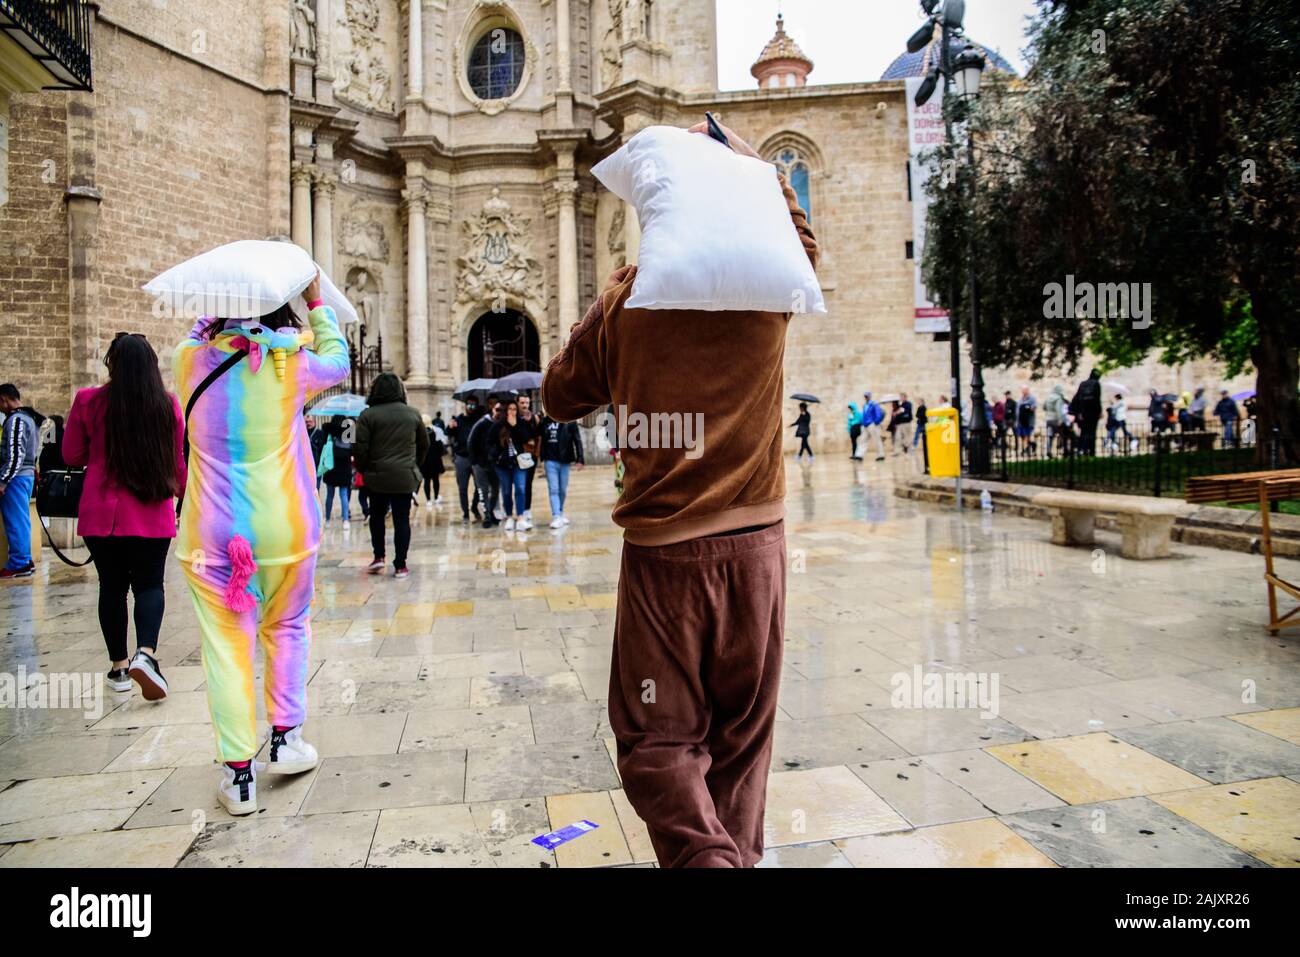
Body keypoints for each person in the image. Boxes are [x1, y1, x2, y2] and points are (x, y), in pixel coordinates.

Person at [541, 117, 818, 868]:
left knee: (657, 738)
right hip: (759, 552)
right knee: (741, 740)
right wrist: (756, 163)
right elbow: (803, 245)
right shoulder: (767, 290)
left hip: (667, 564)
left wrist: (594, 315)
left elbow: (558, 396)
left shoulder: (627, 308)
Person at [174, 270, 349, 816]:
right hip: (286, 531)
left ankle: (239, 776)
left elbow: (198, 335)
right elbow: (341, 359)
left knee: (227, 650)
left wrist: (217, 310)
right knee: (289, 628)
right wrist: (315, 303)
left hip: (212, 536)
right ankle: (286, 740)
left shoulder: (188, 362)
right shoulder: (291, 365)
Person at [62, 333, 185, 696]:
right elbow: (178, 462)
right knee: (149, 584)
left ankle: (118, 669)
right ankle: (145, 654)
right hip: (151, 511)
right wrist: (181, 496)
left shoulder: (88, 401)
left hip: (102, 514)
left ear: (111, 364)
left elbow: (71, 455)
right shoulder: (168, 404)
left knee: (111, 588)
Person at [353, 372, 428, 578]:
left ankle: (379, 557)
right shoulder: (413, 414)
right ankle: (401, 564)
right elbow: (424, 444)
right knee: (401, 519)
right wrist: (413, 466)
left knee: (377, 516)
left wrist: (365, 469)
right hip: (404, 475)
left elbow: (360, 447)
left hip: (377, 476)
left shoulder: (367, 415)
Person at [0, 384, 38, 579]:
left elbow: (15, 456)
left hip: (16, 478)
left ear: (4, 399)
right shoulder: (29, 418)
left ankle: (19, 562)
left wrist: (3, 481)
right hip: (25, 476)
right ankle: (24, 559)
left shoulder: (16, 420)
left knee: (16, 521)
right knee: (21, 520)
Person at [488, 398, 535, 531]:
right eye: (510, 409)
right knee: (507, 491)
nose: (512, 412)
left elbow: (526, 438)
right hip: (502, 464)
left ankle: (520, 517)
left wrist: (514, 426)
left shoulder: (520, 423)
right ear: (505, 410)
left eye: (514, 409)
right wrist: (496, 456)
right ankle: (509, 516)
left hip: (519, 462)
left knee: (520, 489)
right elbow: (489, 442)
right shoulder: (498, 424)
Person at [539, 409, 584, 527]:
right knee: (553, 489)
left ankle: (560, 511)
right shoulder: (544, 421)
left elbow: (577, 440)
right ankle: (556, 515)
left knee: (562, 489)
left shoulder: (570, 421)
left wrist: (580, 458)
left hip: (565, 460)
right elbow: (539, 437)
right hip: (550, 460)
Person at [446, 398, 484, 523]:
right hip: (462, 457)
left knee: (480, 486)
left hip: (476, 457)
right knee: (462, 487)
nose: (471, 407)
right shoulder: (458, 419)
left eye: (473, 405)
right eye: (469, 405)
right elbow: (448, 432)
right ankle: (465, 513)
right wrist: (450, 426)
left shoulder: (479, 420)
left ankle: (474, 506)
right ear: (465, 406)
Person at [468, 399, 501, 528]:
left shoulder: (500, 424)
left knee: (495, 489)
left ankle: (491, 511)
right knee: (483, 489)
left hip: (493, 463)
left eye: (501, 410)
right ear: (491, 408)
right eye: (497, 409)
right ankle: (487, 515)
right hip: (479, 462)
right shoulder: (482, 423)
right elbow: (471, 441)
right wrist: (473, 461)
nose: (499, 412)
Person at [320, 415, 355, 529]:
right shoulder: (348, 433)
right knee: (344, 495)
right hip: (345, 468)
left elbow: (323, 446)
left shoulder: (330, 432)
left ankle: (328, 519)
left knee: (330, 495)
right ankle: (345, 520)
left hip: (332, 467)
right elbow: (352, 450)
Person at [518, 393, 542, 524]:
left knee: (527, 484)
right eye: (522, 403)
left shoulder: (534, 418)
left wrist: (537, 455)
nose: (525, 405)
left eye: (527, 403)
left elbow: (538, 436)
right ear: (517, 403)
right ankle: (517, 510)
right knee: (519, 485)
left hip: (530, 456)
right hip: (517, 456)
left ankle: (526, 509)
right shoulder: (514, 418)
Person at [1070, 369, 1103, 456]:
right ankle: (1091, 451)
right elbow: (1097, 399)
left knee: (1083, 432)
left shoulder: (1083, 384)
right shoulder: (1096, 384)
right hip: (1093, 412)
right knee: (1092, 432)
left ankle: (1082, 450)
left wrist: (1079, 413)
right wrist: (1099, 411)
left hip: (1083, 413)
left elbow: (1078, 398)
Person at [420, 415, 446, 509]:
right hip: (435, 460)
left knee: (426, 480)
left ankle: (428, 500)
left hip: (425, 461)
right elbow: (441, 447)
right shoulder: (435, 432)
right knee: (436, 480)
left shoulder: (420, 434)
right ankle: (435, 498)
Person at [1044, 384, 1070, 457]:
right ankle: (1065, 450)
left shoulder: (1048, 398)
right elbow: (1059, 410)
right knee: (1063, 435)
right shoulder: (1058, 398)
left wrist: (1049, 412)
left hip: (1049, 420)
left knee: (1050, 436)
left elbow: (1044, 407)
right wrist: (1060, 420)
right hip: (1056, 420)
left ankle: (1048, 451)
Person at [861, 392, 886, 460]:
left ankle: (881, 455)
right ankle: (860, 455)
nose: (866, 398)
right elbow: (864, 415)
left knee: (877, 440)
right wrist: (863, 423)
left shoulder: (874, 404)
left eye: (867, 396)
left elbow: (878, 414)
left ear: (870, 397)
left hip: (872, 424)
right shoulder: (865, 405)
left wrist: (876, 422)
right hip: (865, 425)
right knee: (863, 440)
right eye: (865, 396)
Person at [1015, 385, 1037, 453]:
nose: (1023, 391)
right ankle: (1032, 444)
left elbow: (1034, 407)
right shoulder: (1020, 399)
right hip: (1020, 421)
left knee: (1027, 435)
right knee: (1022, 436)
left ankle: (1025, 449)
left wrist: (1027, 408)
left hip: (1028, 420)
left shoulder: (1032, 398)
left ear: (1027, 390)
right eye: (1022, 390)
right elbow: (1017, 410)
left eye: (1024, 390)